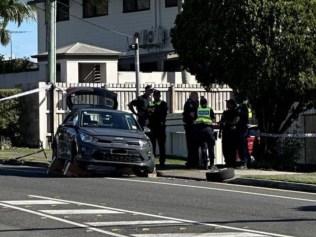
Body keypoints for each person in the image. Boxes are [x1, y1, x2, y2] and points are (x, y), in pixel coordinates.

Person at [193, 97, 216, 169]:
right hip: (208, 129)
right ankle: (212, 164)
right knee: (211, 147)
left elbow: (194, 119)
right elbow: (213, 119)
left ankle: (205, 164)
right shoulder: (209, 109)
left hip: (200, 130)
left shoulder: (198, 109)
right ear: (206, 103)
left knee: (203, 147)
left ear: (200, 103)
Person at [147, 90, 168, 167]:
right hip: (152, 127)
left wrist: (154, 111)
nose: (156, 97)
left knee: (161, 145)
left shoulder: (163, 104)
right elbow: (149, 113)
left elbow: (162, 113)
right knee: (152, 145)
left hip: (160, 127)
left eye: (157, 95)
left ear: (159, 96)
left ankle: (162, 161)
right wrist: (152, 111)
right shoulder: (151, 104)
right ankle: (152, 160)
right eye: (155, 95)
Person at [219, 99, 240, 167]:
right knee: (225, 148)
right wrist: (220, 131)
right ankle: (227, 162)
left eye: (228, 103)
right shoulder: (225, 112)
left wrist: (227, 123)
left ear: (232, 104)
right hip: (225, 133)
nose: (227, 104)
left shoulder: (236, 112)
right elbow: (222, 122)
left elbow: (236, 121)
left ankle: (232, 162)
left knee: (232, 148)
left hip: (232, 133)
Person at [183, 91, 199, 168]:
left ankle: (193, 162)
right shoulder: (191, 103)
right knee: (192, 145)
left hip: (193, 126)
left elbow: (192, 114)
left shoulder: (194, 103)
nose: (198, 98)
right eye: (197, 97)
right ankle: (192, 162)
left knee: (193, 145)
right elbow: (191, 114)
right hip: (191, 126)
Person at [236, 97, 250, 168]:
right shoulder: (243, 107)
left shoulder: (242, 107)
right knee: (242, 146)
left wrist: (234, 123)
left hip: (243, 129)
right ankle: (245, 162)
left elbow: (238, 118)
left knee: (243, 146)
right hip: (241, 129)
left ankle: (245, 162)